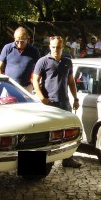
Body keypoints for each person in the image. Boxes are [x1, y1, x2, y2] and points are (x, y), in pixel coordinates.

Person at [32, 36, 81, 168]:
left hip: (64, 103)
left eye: (58, 47)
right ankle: (42, 163)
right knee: (46, 134)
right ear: (50, 47)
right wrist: (42, 98)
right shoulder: (42, 61)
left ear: (62, 47)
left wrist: (75, 99)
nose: (55, 49)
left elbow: (71, 81)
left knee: (68, 132)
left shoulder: (67, 61)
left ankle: (68, 158)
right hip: (49, 103)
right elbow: (35, 81)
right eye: (53, 47)